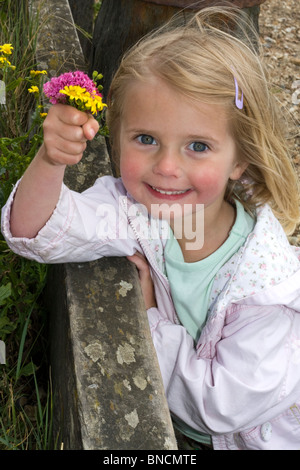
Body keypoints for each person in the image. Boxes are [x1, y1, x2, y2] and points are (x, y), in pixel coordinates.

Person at [2, 6, 300, 450]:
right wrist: (51, 161)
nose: (165, 167)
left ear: (241, 160)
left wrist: (150, 323)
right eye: (146, 139)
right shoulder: (135, 208)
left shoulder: (267, 289)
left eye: (197, 146)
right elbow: (35, 232)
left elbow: (219, 408)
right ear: (115, 136)